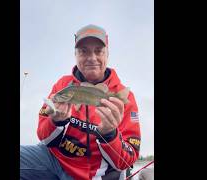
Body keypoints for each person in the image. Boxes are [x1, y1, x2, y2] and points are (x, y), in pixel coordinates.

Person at [20, 24, 141, 180]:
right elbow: (43, 138)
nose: (92, 58)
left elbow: (127, 160)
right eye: (83, 51)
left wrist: (109, 134)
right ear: (75, 55)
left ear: (107, 54)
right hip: (55, 160)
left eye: (98, 51)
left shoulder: (125, 98)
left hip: (93, 174)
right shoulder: (63, 85)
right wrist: (56, 122)